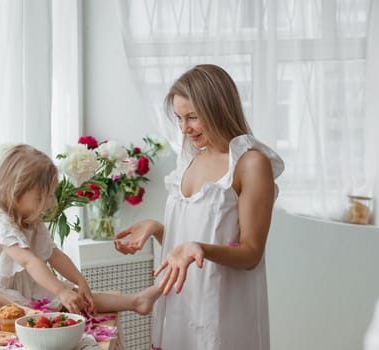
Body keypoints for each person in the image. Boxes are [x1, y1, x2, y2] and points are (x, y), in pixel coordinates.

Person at [114, 64, 285, 350]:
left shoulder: (250, 163)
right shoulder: (190, 161)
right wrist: (158, 229)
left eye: (193, 117)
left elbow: (251, 253)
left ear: (219, 109)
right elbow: (198, 238)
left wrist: (200, 248)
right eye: (179, 118)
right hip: (181, 305)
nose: (184, 128)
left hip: (222, 312)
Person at [0, 144, 160, 319]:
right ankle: (25, 314)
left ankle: (136, 301)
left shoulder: (32, 222)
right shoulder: (0, 222)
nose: (48, 203)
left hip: (21, 293)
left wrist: (79, 281)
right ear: (15, 191)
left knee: (75, 298)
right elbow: (29, 261)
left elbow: (53, 255)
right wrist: (60, 290)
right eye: (42, 196)